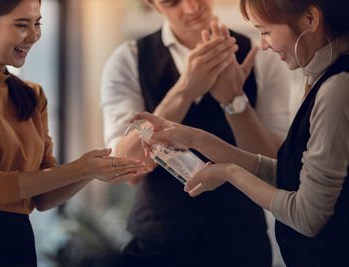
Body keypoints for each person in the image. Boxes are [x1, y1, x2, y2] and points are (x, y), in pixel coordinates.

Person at [131, 0, 349, 266]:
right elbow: (288, 171)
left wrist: (228, 172)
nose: (264, 44)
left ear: (310, 19)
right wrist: (196, 138)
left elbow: (306, 216)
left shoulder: (337, 88)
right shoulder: (324, 79)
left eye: (266, 31)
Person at [0, 0, 151, 266]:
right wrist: (80, 169)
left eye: (37, 23)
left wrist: (91, 171)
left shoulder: (31, 94)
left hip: (17, 240)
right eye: (22, 25)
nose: (33, 35)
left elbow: (43, 199)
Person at [101, 0, 291, 266]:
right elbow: (124, 168)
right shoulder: (127, 60)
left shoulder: (262, 56)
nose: (191, 8)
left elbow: (278, 166)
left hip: (241, 246)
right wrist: (186, 88)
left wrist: (234, 100)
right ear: (151, 4)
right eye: (172, 2)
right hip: (155, 247)